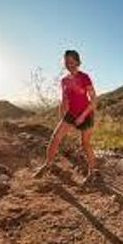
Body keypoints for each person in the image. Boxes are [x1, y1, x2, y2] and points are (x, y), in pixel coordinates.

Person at [34, 50, 98, 183]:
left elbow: (94, 100)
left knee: (85, 144)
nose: (68, 64)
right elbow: (64, 100)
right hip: (71, 114)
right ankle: (48, 165)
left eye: (71, 61)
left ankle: (92, 172)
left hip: (86, 114)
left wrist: (82, 116)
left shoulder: (84, 77)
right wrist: (62, 115)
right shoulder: (64, 81)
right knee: (55, 138)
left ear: (77, 62)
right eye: (66, 61)